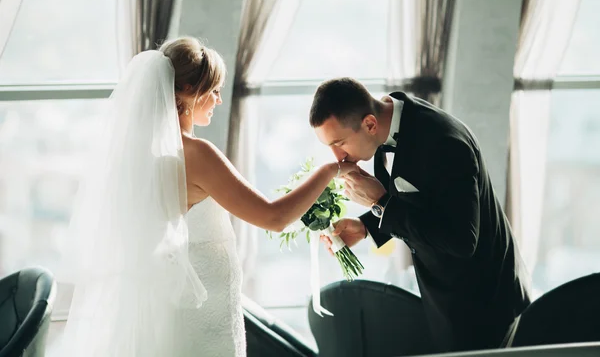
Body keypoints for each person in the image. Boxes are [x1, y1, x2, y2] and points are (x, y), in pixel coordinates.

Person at [60, 37, 357, 357]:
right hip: (201, 314)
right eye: (213, 90)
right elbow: (273, 218)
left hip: (172, 307)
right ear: (187, 91)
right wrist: (330, 170)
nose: (218, 100)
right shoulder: (196, 155)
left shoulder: (138, 154)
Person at [313, 77, 530, 353]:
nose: (337, 156)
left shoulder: (445, 142)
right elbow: (422, 206)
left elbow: (461, 240)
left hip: (486, 304)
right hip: (445, 305)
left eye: (339, 143)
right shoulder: (382, 132)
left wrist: (380, 204)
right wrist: (367, 226)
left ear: (369, 124)